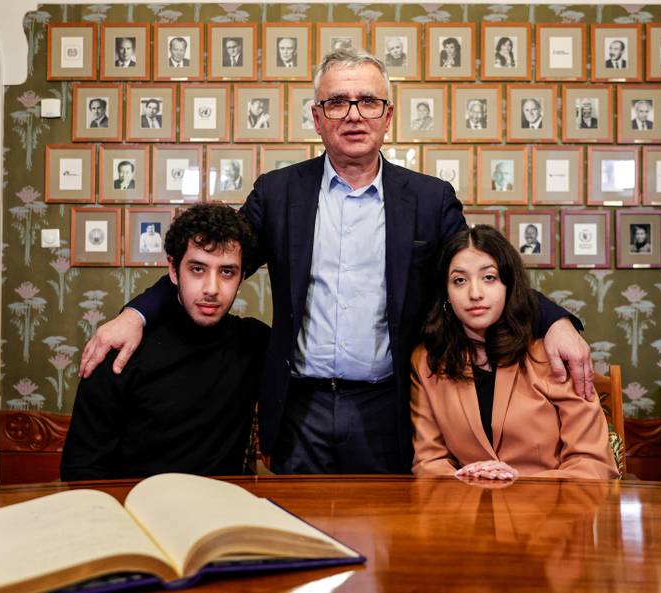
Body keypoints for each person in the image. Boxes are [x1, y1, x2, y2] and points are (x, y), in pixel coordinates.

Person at [79, 48, 593, 475]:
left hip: (389, 406)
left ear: (387, 116)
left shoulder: (429, 199)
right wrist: (137, 314)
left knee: (389, 546)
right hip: (298, 408)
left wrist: (555, 322)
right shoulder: (278, 193)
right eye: (337, 102)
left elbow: (478, 272)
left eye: (368, 101)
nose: (353, 114)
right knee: (303, 542)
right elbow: (213, 259)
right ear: (317, 118)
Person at [61, 204, 268, 480]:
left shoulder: (254, 344)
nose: (211, 288)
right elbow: (81, 469)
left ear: (241, 278)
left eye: (227, 272)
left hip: (222, 504)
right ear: (173, 270)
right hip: (133, 504)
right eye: (197, 269)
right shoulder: (121, 350)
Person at [409, 226, 618, 480]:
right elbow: (429, 463)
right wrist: (468, 482)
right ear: (447, 294)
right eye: (459, 280)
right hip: (464, 503)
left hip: (549, 503)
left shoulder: (551, 355)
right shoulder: (428, 361)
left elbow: (594, 466)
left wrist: (517, 483)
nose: (475, 293)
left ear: (509, 285)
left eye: (489, 277)